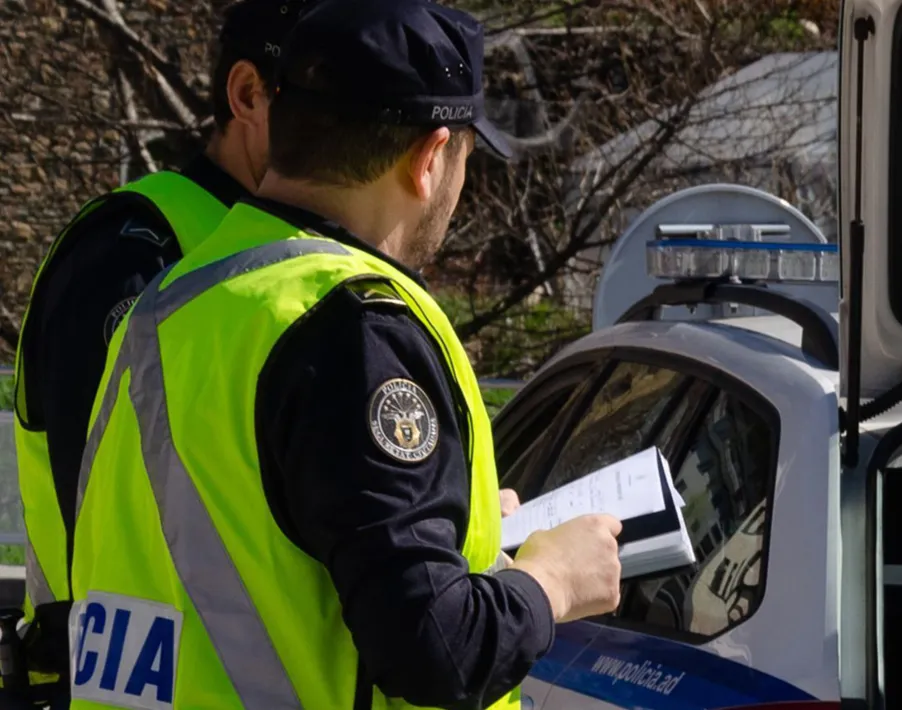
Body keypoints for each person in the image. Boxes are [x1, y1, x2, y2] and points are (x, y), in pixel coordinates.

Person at [66, 0, 623, 708]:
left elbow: (248, 549)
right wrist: (553, 581)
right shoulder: (351, 324)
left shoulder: (173, 303)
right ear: (428, 160)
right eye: (464, 164)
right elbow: (434, 650)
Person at [8, 0, 313, 692]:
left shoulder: (288, 250)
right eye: (330, 95)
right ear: (247, 95)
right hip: (111, 682)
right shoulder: (131, 252)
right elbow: (122, 507)